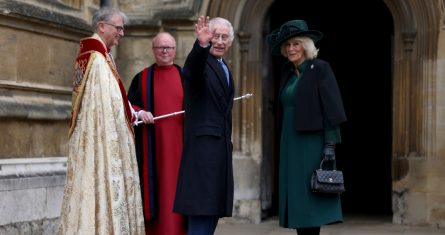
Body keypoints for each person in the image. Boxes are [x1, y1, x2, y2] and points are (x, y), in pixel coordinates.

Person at [59, 7, 145, 234]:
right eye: (118, 28)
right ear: (101, 26)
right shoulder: (96, 60)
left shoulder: (101, 56)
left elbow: (115, 99)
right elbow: (103, 109)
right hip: (102, 141)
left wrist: (134, 114)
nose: (122, 33)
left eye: (122, 28)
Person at [266, 20, 347, 235]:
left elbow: (332, 108)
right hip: (290, 142)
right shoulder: (287, 72)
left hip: (312, 143)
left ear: (306, 46)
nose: (291, 49)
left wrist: (330, 143)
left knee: (312, 199)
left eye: (296, 44)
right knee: (297, 200)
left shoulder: (320, 68)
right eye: (288, 45)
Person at [173, 16, 235, 235]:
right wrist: (200, 45)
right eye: (214, 36)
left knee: (210, 216)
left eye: (224, 37)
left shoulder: (223, 66)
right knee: (201, 215)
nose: (219, 41)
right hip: (203, 154)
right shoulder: (202, 63)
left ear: (230, 42)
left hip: (219, 153)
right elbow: (191, 71)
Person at [127, 32, 186, 235]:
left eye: (168, 47)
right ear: (153, 50)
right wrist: (140, 112)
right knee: (158, 193)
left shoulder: (186, 76)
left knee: (179, 192)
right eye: (160, 47)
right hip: (152, 149)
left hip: (182, 150)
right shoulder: (142, 79)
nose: (164, 51)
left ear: (175, 50)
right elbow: (127, 107)